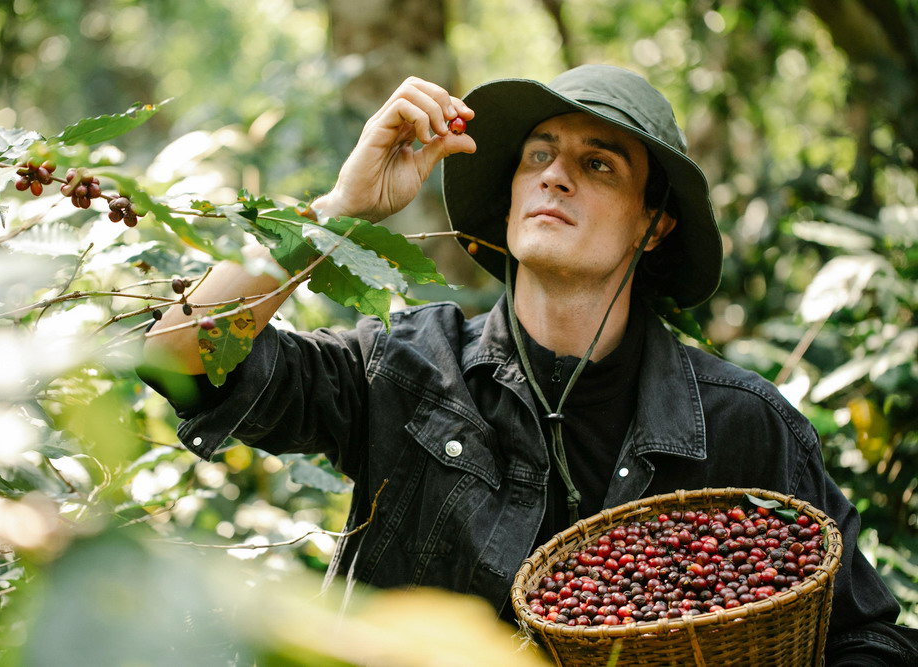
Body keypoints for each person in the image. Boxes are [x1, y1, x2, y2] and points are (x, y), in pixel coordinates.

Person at [141, 64, 918, 664]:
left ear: (653, 226)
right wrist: (341, 208)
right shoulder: (410, 369)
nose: (554, 174)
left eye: (600, 164)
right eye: (538, 155)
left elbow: (868, 638)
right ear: (509, 201)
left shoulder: (740, 425)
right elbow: (181, 358)